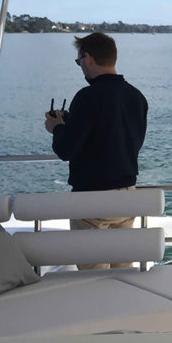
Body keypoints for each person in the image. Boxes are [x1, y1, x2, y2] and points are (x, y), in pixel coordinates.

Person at [43, 32, 148, 269]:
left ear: (88, 58)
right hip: (127, 196)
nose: (80, 66)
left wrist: (56, 128)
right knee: (123, 273)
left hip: (92, 200)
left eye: (79, 61)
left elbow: (66, 150)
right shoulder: (136, 97)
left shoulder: (86, 97)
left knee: (92, 278)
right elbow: (122, 138)